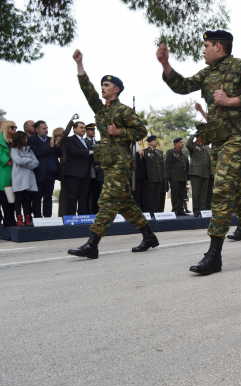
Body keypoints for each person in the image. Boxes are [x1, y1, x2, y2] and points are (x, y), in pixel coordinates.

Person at [157, 29, 241, 275]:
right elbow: (183, 85)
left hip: (239, 140)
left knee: (221, 192)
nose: (203, 50)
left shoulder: (240, 67)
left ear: (218, 47)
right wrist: (166, 64)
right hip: (218, 142)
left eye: (206, 46)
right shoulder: (207, 73)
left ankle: (214, 255)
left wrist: (229, 100)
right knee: (234, 195)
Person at [68, 49, 159, 259]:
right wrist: (80, 64)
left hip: (120, 163)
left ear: (116, 89)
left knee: (108, 201)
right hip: (108, 162)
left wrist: (121, 132)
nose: (102, 87)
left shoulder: (124, 111)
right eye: (102, 85)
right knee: (125, 203)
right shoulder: (101, 110)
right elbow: (87, 89)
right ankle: (149, 236)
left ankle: (92, 244)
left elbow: (141, 131)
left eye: (106, 85)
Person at [28, 120, 62, 218]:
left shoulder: (49, 139)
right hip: (40, 173)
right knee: (37, 196)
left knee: (48, 197)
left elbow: (60, 154)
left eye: (47, 128)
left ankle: (48, 216)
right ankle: (37, 217)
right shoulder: (32, 140)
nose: (46, 130)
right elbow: (37, 152)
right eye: (44, 128)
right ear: (37, 130)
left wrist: (56, 146)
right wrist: (51, 147)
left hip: (51, 174)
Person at [10, 130, 39, 227]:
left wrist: (27, 163)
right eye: (25, 138)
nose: (26, 140)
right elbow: (18, 160)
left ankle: (28, 218)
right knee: (18, 200)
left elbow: (36, 163)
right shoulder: (14, 150)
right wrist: (29, 160)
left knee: (27, 200)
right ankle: (19, 219)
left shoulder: (30, 150)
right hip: (19, 178)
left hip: (29, 178)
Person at [63, 121, 93, 215]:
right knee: (72, 196)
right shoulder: (70, 139)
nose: (83, 129)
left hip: (85, 173)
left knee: (84, 196)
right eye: (81, 127)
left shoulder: (86, 141)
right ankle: (71, 216)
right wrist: (89, 152)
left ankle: (82, 215)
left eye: (84, 128)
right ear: (75, 129)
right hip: (74, 173)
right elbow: (73, 151)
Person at [186, 132, 212, 216]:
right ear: (198, 137)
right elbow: (188, 144)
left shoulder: (206, 147)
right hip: (196, 172)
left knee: (204, 193)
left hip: (205, 172)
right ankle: (196, 210)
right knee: (196, 193)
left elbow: (209, 160)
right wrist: (193, 135)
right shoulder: (193, 145)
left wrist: (210, 172)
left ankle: (203, 209)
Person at [56, 115, 77, 217]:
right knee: (65, 192)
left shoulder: (66, 141)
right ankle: (63, 214)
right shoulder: (60, 140)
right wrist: (71, 121)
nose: (65, 133)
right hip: (64, 167)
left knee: (70, 192)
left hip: (70, 167)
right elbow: (66, 134)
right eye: (63, 132)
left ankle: (68, 213)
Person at [164, 137, 189, 216]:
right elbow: (167, 165)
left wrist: (187, 175)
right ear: (176, 143)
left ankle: (181, 209)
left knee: (182, 194)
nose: (182, 143)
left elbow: (187, 164)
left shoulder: (184, 152)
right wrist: (168, 176)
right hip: (174, 177)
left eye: (182, 142)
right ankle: (175, 209)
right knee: (175, 194)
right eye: (180, 142)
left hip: (183, 176)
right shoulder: (171, 152)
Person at [143, 135, 166, 214]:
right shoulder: (145, 152)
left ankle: (156, 212)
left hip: (159, 178)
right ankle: (150, 212)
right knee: (150, 197)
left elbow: (162, 166)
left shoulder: (159, 152)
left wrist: (163, 177)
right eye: (154, 140)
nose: (156, 141)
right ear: (149, 142)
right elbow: (144, 166)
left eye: (156, 140)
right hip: (150, 178)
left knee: (157, 196)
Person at [85, 123, 104, 214]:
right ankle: (88, 212)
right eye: (91, 130)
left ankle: (95, 211)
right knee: (87, 194)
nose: (93, 131)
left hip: (98, 172)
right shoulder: (85, 141)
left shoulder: (97, 143)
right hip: (88, 171)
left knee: (97, 193)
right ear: (87, 131)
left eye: (94, 130)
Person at [0, 121, 16, 227]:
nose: (14, 129)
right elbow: (2, 157)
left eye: (15, 127)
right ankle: (8, 222)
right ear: (6, 128)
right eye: (12, 127)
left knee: (13, 200)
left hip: (16, 173)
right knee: (5, 199)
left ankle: (11, 221)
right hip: (4, 172)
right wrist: (15, 164)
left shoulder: (16, 140)